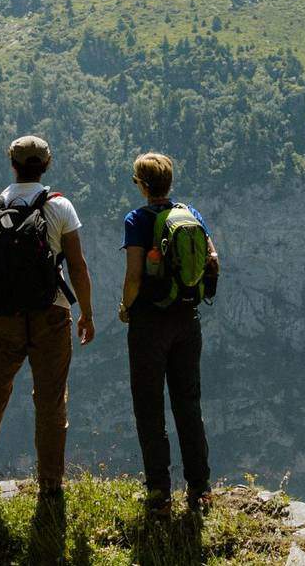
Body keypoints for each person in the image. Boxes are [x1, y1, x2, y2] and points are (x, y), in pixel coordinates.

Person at [0, 135, 96, 506]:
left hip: (4, 317)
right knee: (50, 401)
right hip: (52, 315)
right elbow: (78, 266)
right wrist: (86, 312)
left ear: (12, 164)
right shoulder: (60, 206)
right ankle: (50, 484)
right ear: (46, 165)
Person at [119, 151, 220, 517]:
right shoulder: (190, 215)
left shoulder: (137, 219)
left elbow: (133, 276)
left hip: (150, 323)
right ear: (170, 182)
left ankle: (159, 492)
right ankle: (200, 488)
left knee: (150, 409)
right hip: (187, 320)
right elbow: (213, 259)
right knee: (188, 404)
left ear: (142, 185)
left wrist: (126, 307)